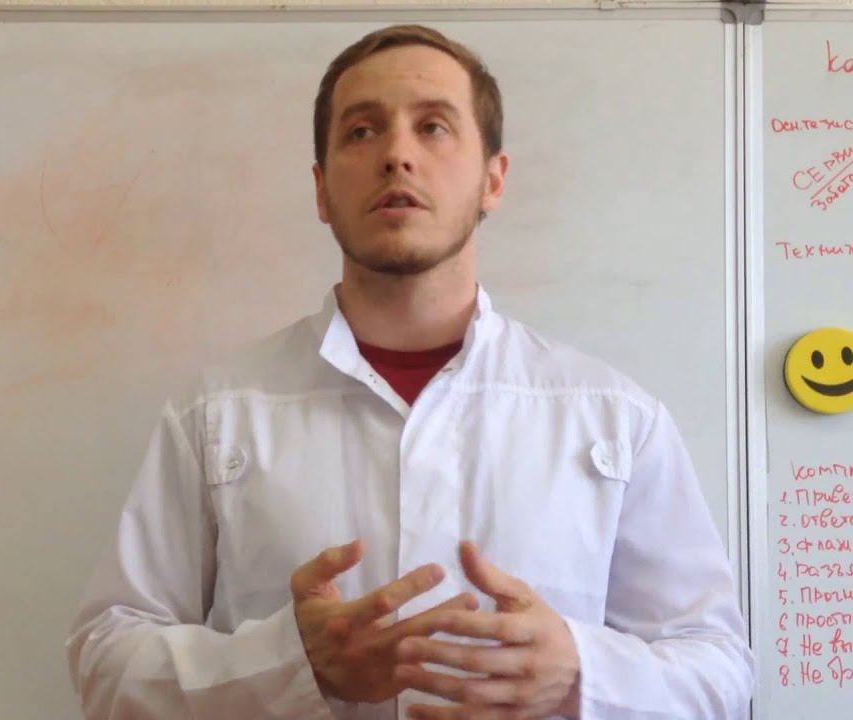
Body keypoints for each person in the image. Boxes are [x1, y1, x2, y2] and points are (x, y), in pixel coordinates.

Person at [65, 24, 755, 720]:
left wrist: (579, 672)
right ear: (322, 192)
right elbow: (105, 659)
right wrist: (288, 663)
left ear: (493, 180)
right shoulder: (218, 416)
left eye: (433, 127)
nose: (397, 155)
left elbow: (719, 669)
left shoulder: (612, 418)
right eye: (362, 132)